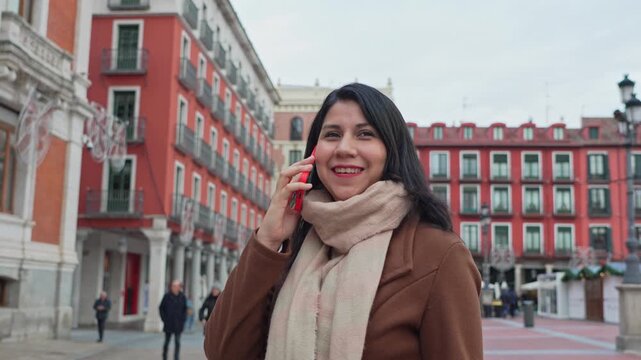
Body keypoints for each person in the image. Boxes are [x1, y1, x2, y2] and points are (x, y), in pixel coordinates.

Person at [204, 83, 483, 359]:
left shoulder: (440, 255)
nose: (344, 148)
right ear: (314, 152)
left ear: (391, 150)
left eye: (365, 134)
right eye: (332, 134)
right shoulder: (293, 248)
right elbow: (223, 351)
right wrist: (267, 240)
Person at [159, 280, 187, 360]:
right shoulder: (167, 296)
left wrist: (183, 320)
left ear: (179, 287)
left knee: (177, 342)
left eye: (176, 286)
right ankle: (164, 357)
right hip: (168, 323)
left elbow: (185, 309)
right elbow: (161, 308)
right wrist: (164, 319)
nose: (174, 288)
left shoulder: (182, 297)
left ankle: (176, 358)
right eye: (173, 286)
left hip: (178, 324)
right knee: (166, 342)